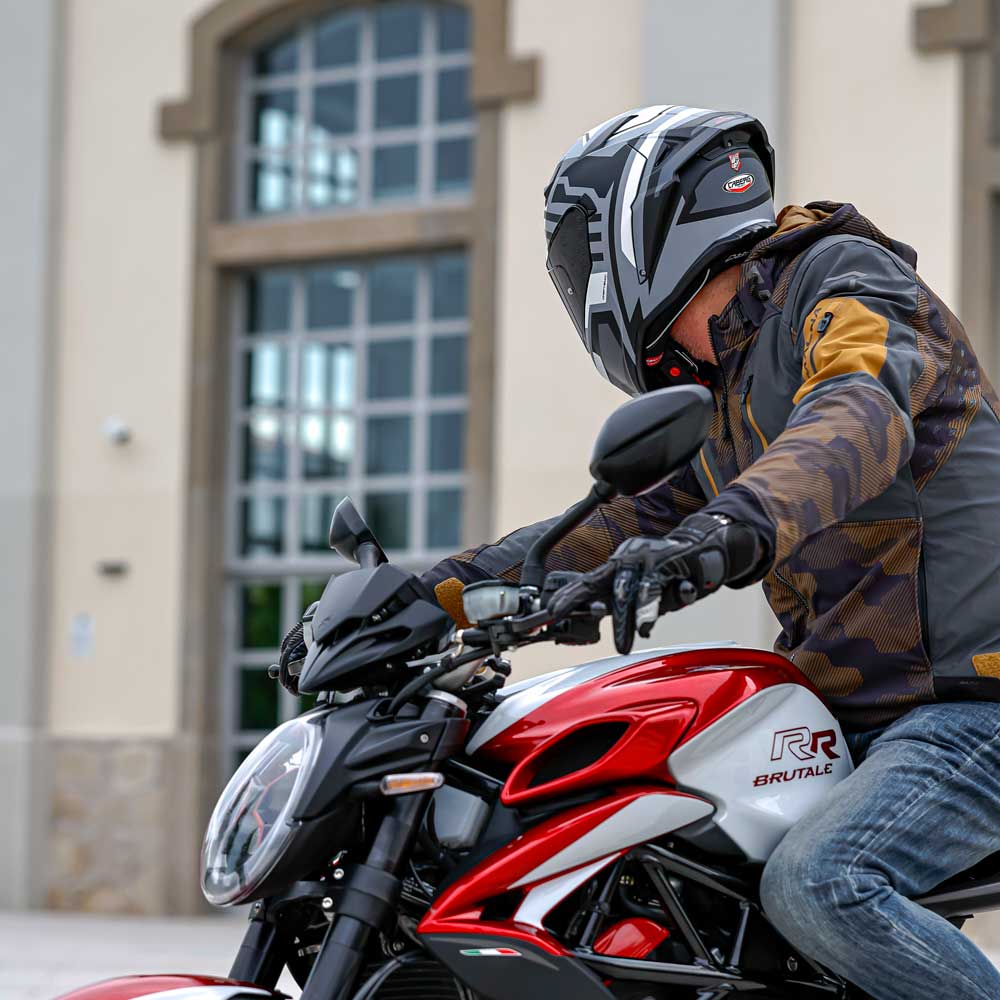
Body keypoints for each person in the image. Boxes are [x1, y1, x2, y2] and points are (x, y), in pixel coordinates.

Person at [422, 105, 1000, 999]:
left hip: (972, 703)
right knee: (659, 869)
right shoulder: (728, 392)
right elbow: (617, 524)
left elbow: (856, 413)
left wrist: (729, 530)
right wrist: (424, 598)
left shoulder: (843, 279)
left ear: (640, 229)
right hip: (863, 718)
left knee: (823, 886)